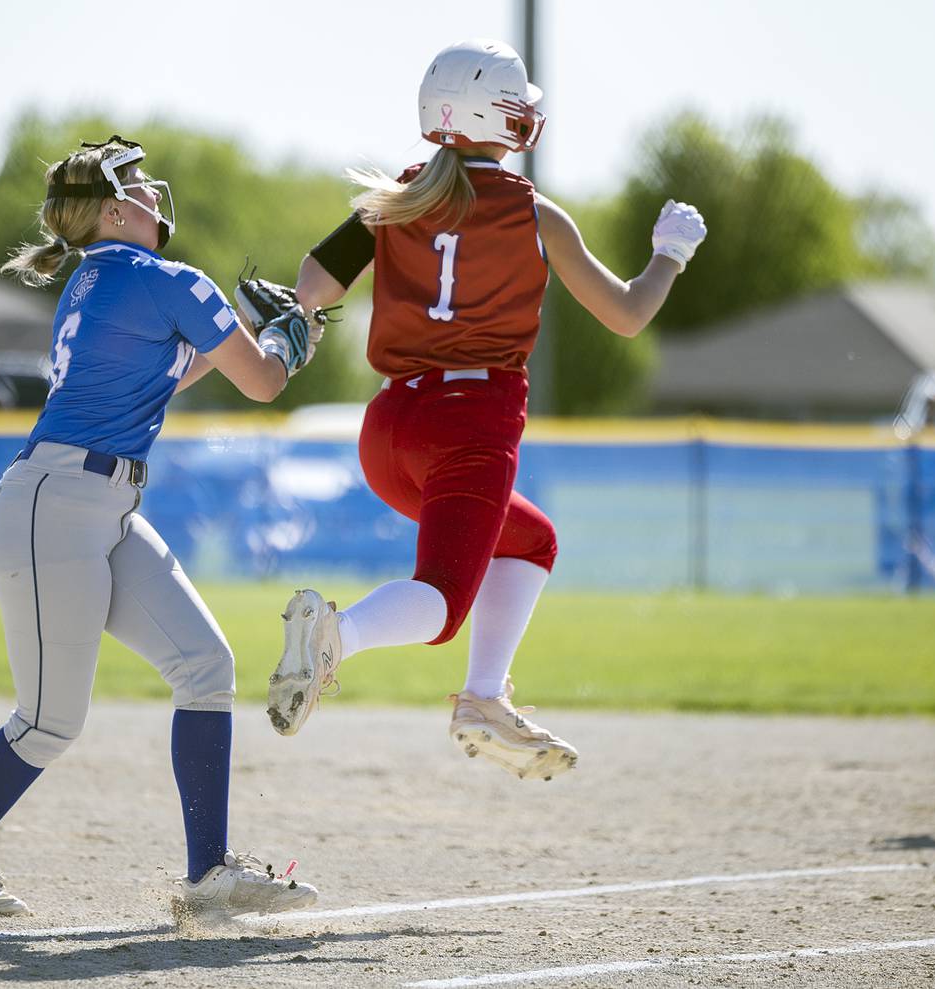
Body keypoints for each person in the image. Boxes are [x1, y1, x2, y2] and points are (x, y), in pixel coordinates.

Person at [267, 40, 708, 780]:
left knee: (530, 540)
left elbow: (314, 281)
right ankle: (336, 633)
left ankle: (484, 697)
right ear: (498, 118)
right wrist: (670, 254)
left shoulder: (397, 195)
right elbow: (628, 315)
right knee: (441, 605)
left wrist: (299, 317)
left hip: (386, 430)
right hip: (470, 424)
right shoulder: (535, 213)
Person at [0, 135, 321, 920]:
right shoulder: (166, 278)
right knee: (50, 719)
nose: (149, 194)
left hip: (85, 505)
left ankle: (208, 876)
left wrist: (245, 327)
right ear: (108, 208)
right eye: (135, 186)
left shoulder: (95, 280)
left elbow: (176, 369)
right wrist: (281, 339)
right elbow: (263, 381)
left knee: (206, 664)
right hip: (59, 506)